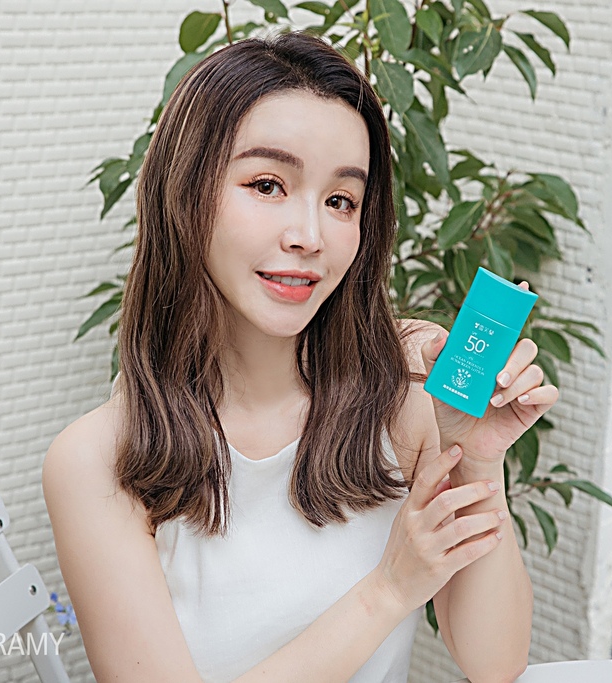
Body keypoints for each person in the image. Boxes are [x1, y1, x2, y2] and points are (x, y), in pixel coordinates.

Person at [43, 30, 556, 683]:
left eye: (341, 200)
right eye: (267, 184)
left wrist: (477, 460)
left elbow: (496, 663)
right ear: (185, 193)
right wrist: (388, 590)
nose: (309, 236)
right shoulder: (100, 458)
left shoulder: (404, 395)